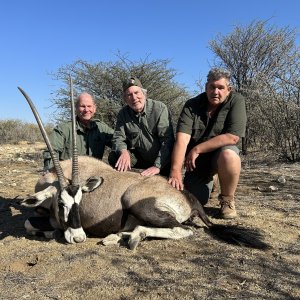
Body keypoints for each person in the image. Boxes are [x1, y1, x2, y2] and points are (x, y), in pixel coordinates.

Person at [168, 68, 247, 219]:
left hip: (219, 155)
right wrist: (176, 171)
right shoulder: (192, 105)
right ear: (206, 87)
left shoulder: (237, 100)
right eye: (212, 87)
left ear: (229, 89)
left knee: (229, 155)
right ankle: (213, 180)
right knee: (195, 201)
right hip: (198, 163)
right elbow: (182, 138)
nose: (215, 92)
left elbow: (232, 138)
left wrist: (197, 149)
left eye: (220, 88)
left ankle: (227, 200)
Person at [108, 77, 174, 177]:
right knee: (114, 157)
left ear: (144, 93)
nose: (134, 98)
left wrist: (157, 166)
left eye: (136, 93)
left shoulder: (159, 108)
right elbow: (118, 138)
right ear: (125, 99)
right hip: (141, 157)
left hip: (162, 159)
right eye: (129, 95)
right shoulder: (123, 114)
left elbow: (167, 141)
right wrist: (123, 151)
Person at [43, 92, 114, 169]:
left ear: (94, 108)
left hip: (94, 175)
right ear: (76, 108)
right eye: (82, 106)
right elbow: (51, 153)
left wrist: (124, 152)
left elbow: (119, 141)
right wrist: (55, 174)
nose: (86, 110)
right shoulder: (63, 129)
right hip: (69, 176)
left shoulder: (101, 127)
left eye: (89, 106)